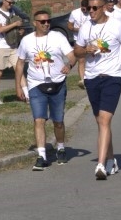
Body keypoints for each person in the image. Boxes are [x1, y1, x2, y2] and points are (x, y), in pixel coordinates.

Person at [75, 0, 121, 180]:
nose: (91, 11)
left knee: (105, 120)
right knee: (101, 122)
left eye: (94, 8)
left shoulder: (116, 25)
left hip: (113, 77)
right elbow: (76, 51)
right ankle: (111, 158)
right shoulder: (85, 27)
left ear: (104, 8)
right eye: (88, 8)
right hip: (92, 78)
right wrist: (85, 50)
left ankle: (100, 165)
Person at [15, 9, 76, 170]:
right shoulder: (26, 41)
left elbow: (72, 55)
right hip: (36, 85)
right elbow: (20, 63)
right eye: (42, 22)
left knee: (58, 121)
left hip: (58, 83)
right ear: (35, 23)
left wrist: (69, 65)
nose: (46, 24)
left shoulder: (58, 37)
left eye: (48, 21)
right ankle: (41, 155)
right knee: (39, 119)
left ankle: (61, 148)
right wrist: (19, 87)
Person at [0, 0, 23, 105]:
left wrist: (20, 31)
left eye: (13, 2)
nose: (11, 4)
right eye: (9, 2)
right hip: (1, 47)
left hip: (13, 46)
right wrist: (14, 24)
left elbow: (15, 29)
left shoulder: (12, 12)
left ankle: (27, 95)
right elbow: (0, 29)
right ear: (4, 1)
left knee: (20, 69)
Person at [66, 0, 89, 86]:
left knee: (92, 58)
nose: (86, 11)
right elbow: (69, 26)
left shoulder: (92, 12)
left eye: (87, 8)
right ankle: (82, 80)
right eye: (84, 9)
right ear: (81, 6)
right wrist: (77, 29)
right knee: (81, 59)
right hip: (78, 39)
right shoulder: (74, 13)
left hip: (90, 39)